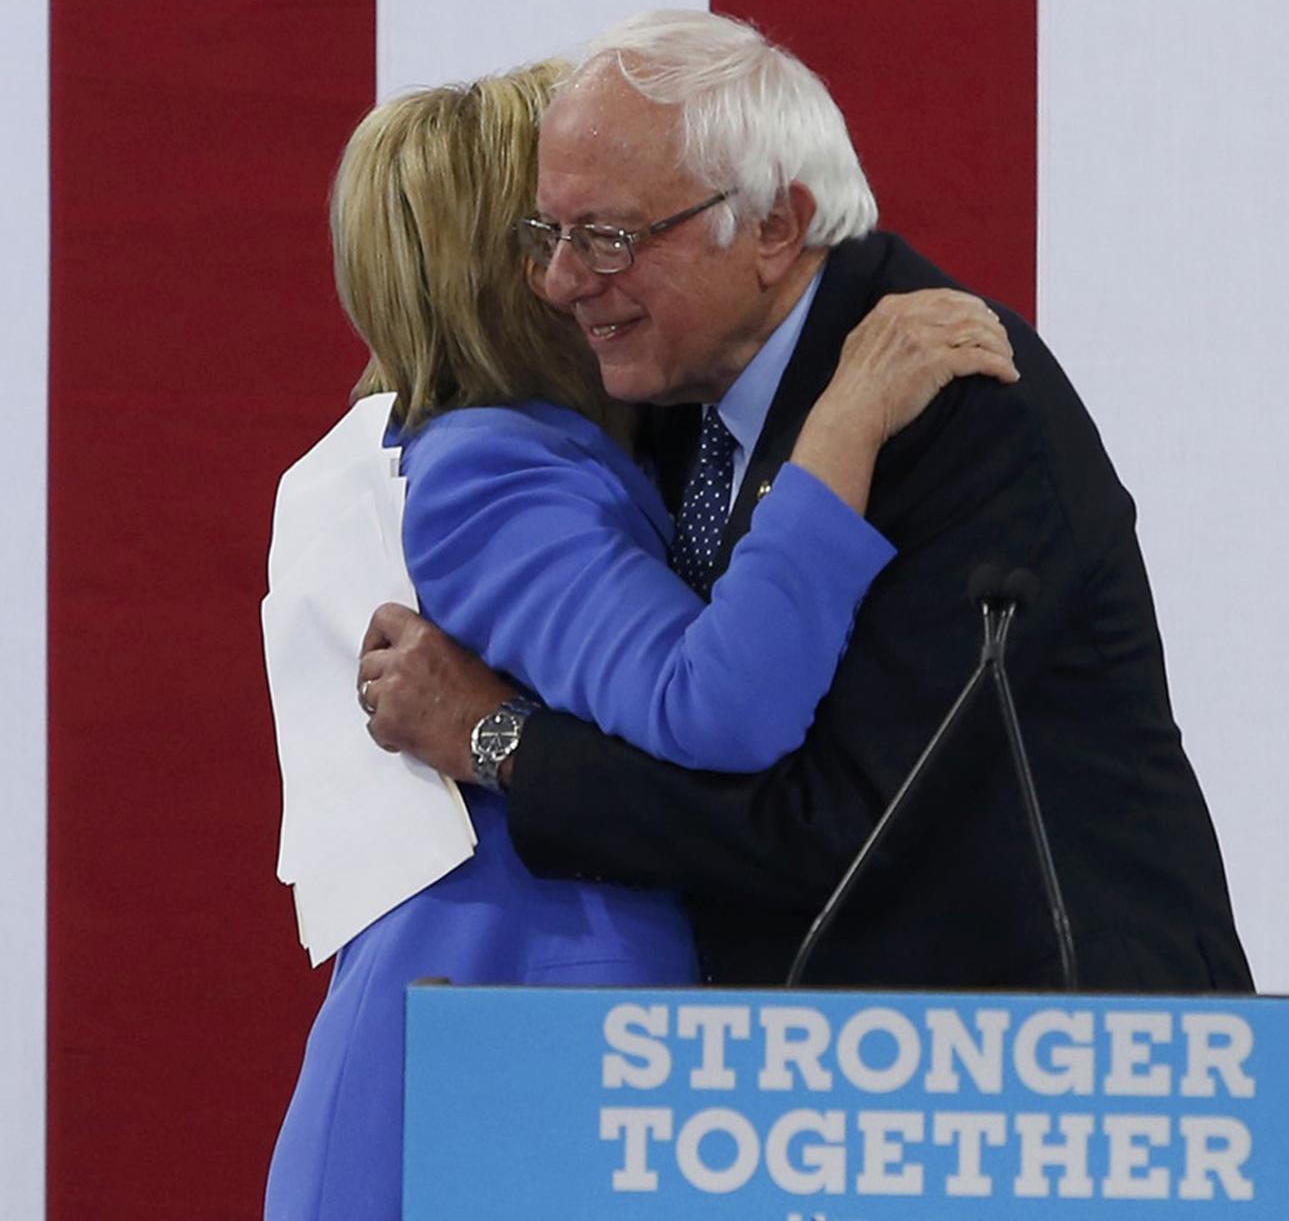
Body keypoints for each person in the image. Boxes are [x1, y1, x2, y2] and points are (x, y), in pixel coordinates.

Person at [363, 10, 1254, 994]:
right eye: (550, 233)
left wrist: (502, 740)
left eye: (607, 238)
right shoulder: (673, 385)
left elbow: (833, 823)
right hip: (836, 1063)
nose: (563, 281)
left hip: (1068, 1059)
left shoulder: (946, 400)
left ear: (772, 226)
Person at [265, 62, 1013, 1219]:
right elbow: (711, 702)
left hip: (520, 1015)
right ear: (514, 271)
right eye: (568, 226)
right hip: (523, 1014)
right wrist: (845, 422)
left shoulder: (480, 449)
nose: (591, 260)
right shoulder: (497, 464)